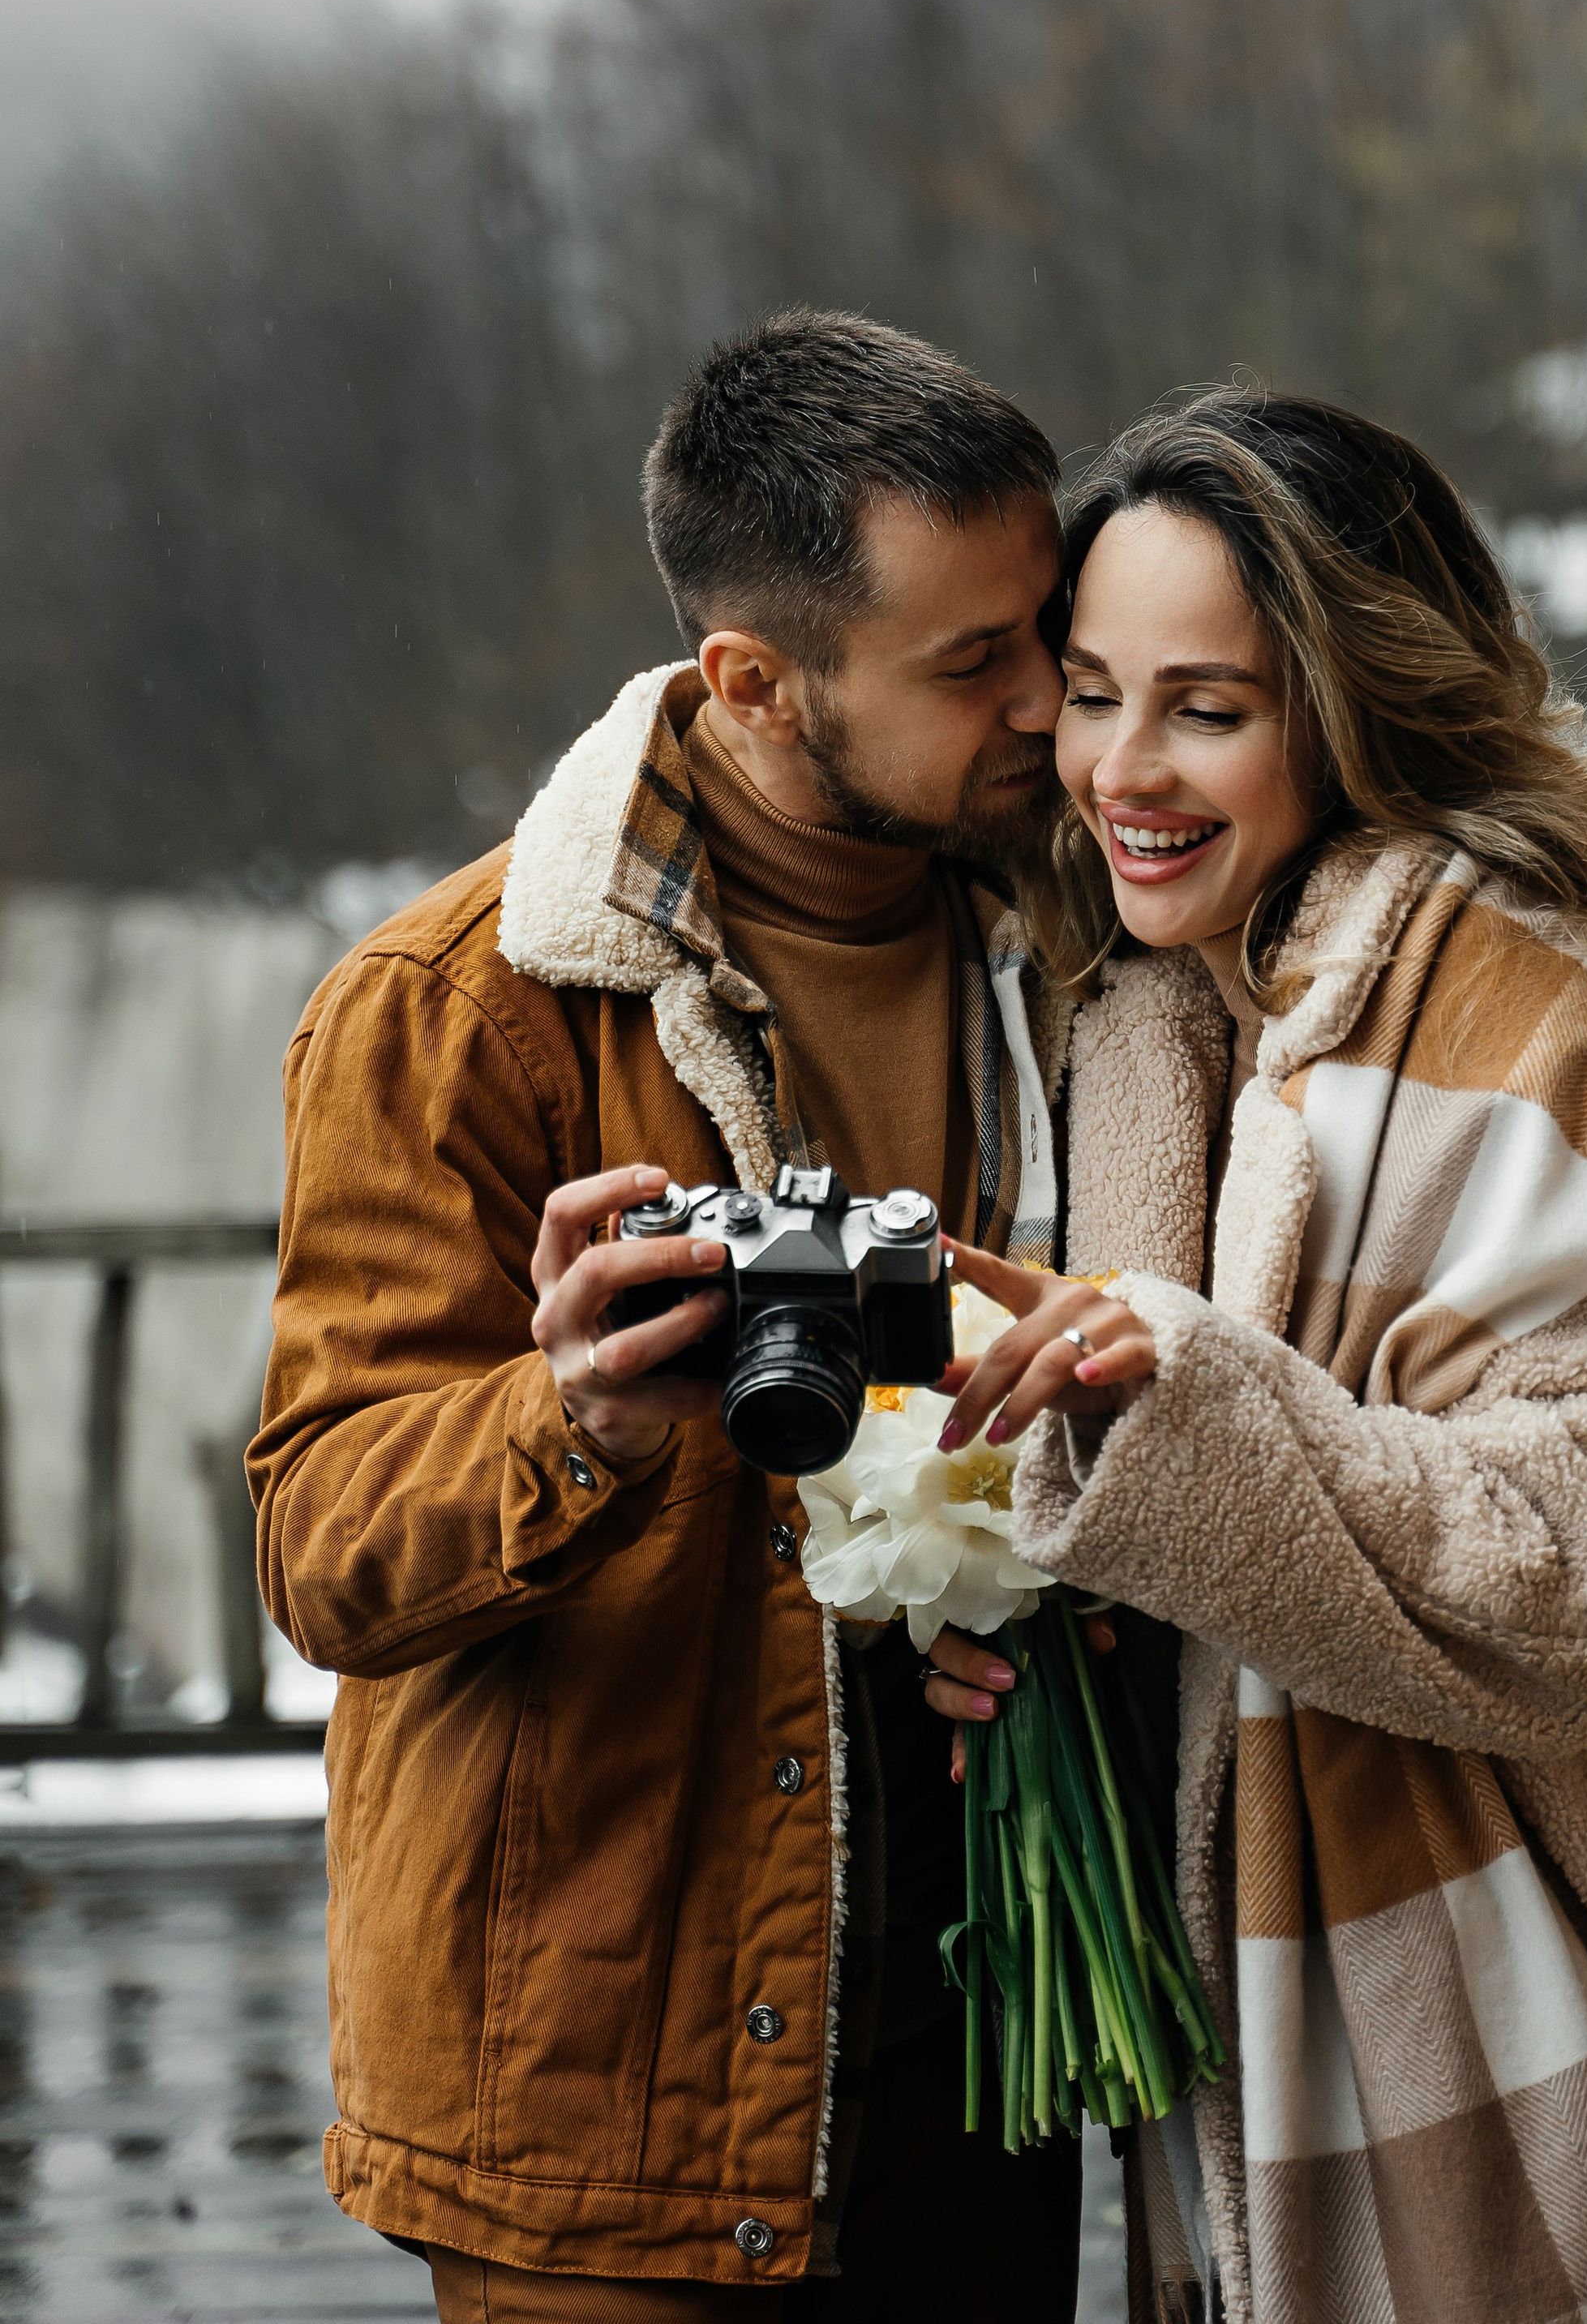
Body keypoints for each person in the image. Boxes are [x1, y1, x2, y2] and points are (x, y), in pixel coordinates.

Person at [937, 390, 1587, 2324]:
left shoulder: (1548, 1011)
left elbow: (1566, 1569)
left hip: (1586, 2012)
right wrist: (1033, 1622)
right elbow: (1195, 1515)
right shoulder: (1146, 1010)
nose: (1120, 768)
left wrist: (1177, 1398)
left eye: (1205, 708)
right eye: (1088, 690)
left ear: (1352, 702)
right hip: (1272, 2018)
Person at [248, 311, 1087, 2319]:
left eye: (1045, 628)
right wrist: (577, 1419)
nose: (1052, 704)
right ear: (754, 683)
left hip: (985, 2030)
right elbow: (319, 1551)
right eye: (973, 662)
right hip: (606, 2076)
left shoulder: (1080, 950)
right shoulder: (459, 1007)